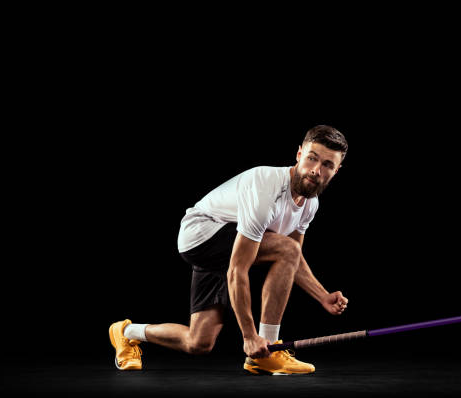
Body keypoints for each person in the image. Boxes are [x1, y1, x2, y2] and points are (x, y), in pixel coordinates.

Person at [109, 125, 349, 375]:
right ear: (299, 154)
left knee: (198, 342)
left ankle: (126, 332)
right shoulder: (267, 188)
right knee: (284, 248)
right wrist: (250, 337)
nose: (316, 170)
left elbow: (294, 258)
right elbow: (238, 269)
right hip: (200, 233)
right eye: (312, 158)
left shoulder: (310, 204)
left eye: (327, 165)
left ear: (336, 170)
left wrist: (322, 295)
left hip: (223, 243)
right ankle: (269, 351)